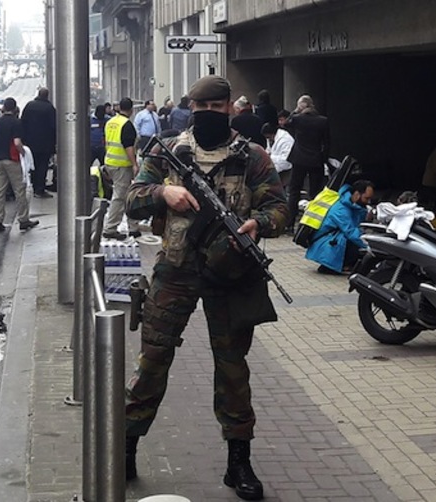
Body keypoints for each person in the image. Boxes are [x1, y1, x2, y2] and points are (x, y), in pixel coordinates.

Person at [124, 75, 288, 501]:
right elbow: (133, 199)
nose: (211, 115)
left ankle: (239, 462)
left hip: (230, 275)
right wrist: (164, 193)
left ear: (230, 108)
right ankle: (126, 444)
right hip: (176, 270)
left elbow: (279, 206)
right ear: (191, 110)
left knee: (233, 369)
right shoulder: (168, 151)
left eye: (218, 108)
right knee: (153, 360)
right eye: (203, 110)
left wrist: (259, 224)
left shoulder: (250, 156)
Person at [0, 97, 39, 233]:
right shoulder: (16, 123)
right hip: (12, 160)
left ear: (4, 107)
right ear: (14, 108)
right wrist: (23, 153)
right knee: (20, 190)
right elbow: (17, 142)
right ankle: (23, 220)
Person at [284, 94, 331, 233]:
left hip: (299, 159)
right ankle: (313, 223)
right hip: (315, 159)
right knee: (315, 192)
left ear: (301, 106)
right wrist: (323, 158)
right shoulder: (323, 121)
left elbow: (286, 123)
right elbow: (327, 142)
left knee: (294, 191)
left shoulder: (298, 119)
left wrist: (296, 111)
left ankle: (290, 223)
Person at [306, 180, 374, 274]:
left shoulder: (351, 205)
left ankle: (343, 264)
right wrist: (370, 246)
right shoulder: (341, 209)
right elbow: (351, 231)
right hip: (326, 243)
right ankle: (336, 264)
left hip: (329, 240)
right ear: (357, 194)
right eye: (366, 198)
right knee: (351, 239)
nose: (368, 202)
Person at [102, 97, 140, 240]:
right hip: (122, 165)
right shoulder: (127, 124)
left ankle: (133, 227)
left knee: (126, 195)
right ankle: (110, 228)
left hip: (110, 162)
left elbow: (106, 141)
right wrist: (135, 164)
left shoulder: (110, 122)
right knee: (120, 196)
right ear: (131, 110)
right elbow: (128, 146)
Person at [20, 87, 57, 198]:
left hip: (30, 142)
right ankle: (39, 189)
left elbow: (23, 122)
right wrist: (54, 142)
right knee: (42, 165)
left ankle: (33, 184)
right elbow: (53, 126)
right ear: (47, 95)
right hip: (45, 143)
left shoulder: (29, 106)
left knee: (32, 164)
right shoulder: (49, 108)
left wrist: (24, 139)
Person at [261, 120, 294, 191]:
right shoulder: (271, 139)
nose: (268, 140)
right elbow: (269, 150)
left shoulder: (286, 140)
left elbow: (287, 159)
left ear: (273, 134)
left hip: (286, 169)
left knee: (282, 188)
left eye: (268, 137)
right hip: (276, 167)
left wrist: (270, 157)